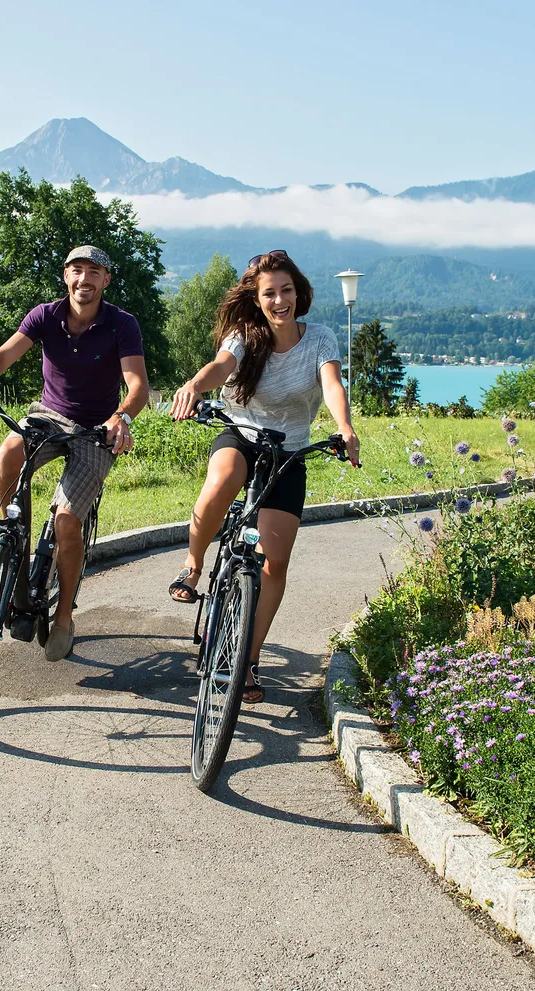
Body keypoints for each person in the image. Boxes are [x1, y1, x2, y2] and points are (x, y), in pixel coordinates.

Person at [168, 250, 359, 703]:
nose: (279, 300)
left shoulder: (320, 339)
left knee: (275, 562)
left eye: (286, 290)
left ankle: (246, 661)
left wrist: (345, 427)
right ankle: (193, 565)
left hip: (288, 452)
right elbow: (221, 367)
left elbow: (332, 384)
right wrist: (196, 385)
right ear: (256, 299)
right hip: (242, 434)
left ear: (299, 292)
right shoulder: (243, 337)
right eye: (269, 293)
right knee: (221, 482)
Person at [0, 245, 149, 660]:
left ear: (106, 281)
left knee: (66, 521)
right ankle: (12, 530)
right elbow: (4, 354)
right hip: (48, 414)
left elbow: (138, 386)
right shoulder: (45, 315)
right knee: (9, 451)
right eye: (77, 271)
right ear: (66, 276)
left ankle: (63, 617)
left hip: (98, 430)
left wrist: (122, 418)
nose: (85, 279)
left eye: (94, 272)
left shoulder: (122, 324)